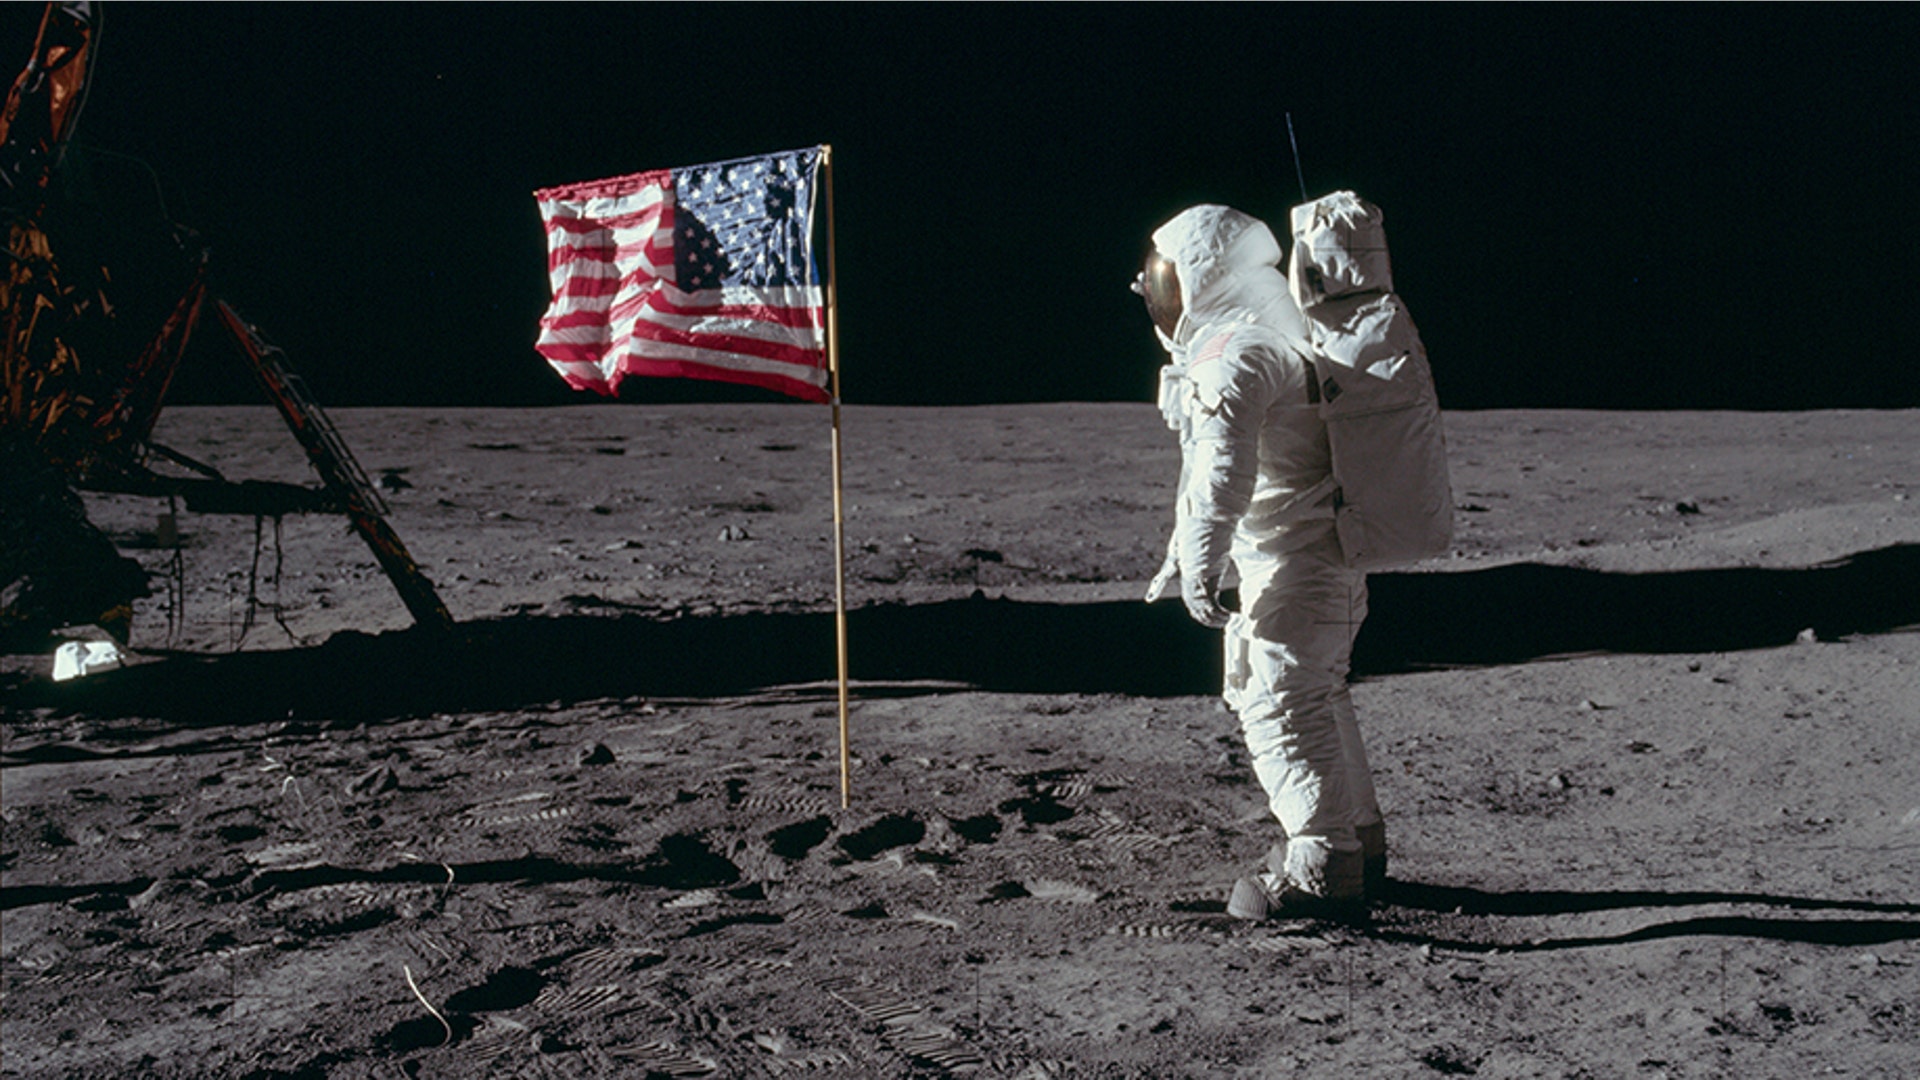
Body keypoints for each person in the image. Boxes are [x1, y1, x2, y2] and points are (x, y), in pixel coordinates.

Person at [1133, 204, 1385, 918]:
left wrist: (1200, 561)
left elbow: (1221, 466)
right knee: (1317, 697)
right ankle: (1359, 843)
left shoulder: (1236, 351)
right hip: (1321, 560)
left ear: (1202, 280)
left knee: (1278, 704)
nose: (1154, 294)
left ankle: (1322, 867)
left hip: (1294, 563)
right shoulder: (1281, 336)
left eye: (1165, 279)